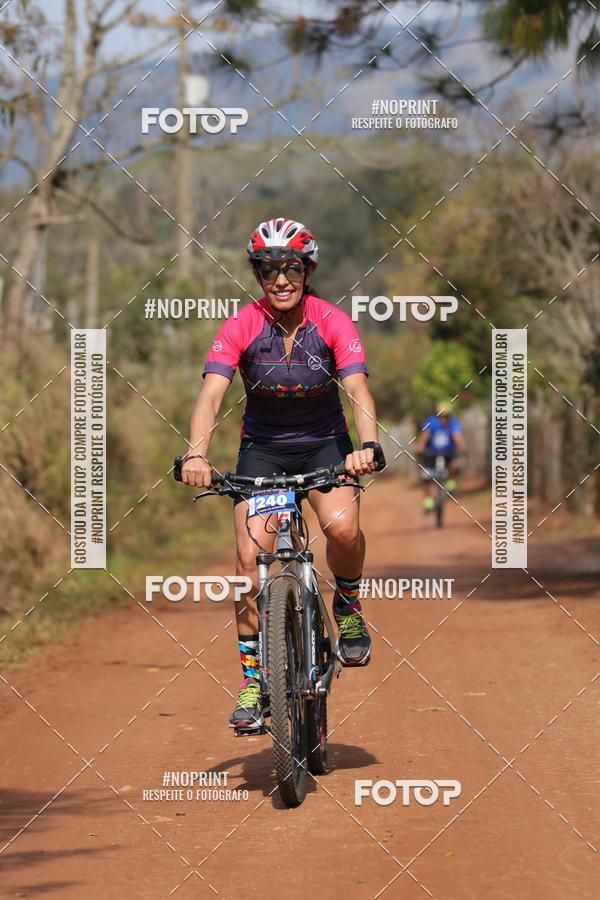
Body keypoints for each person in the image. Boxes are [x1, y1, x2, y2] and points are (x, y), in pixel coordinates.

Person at [181, 217, 382, 731]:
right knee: (249, 565)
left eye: (291, 266)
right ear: (258, 275)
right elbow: (210, 394)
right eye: (268, 269)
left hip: (324, 447)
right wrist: (196, 455)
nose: (280, 278)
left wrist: (367, 445)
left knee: (343, 529)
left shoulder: (332, 321)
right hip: (263, 452)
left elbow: (357, 389)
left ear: (308, 269)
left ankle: (350, 606)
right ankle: (253, 682)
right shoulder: (241, 325)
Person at [414, 400, 466, 511]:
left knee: (456, 464)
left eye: (446, 416)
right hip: (431, 453)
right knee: (425, 476)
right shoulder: (431, 422)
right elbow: (425, 436)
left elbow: (457, 437)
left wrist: (463, 448)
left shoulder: (453, 423)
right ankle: (428, 501)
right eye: (441, 416)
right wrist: (421, 446)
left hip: (448, 453)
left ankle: (450, 485)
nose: (443, 419)